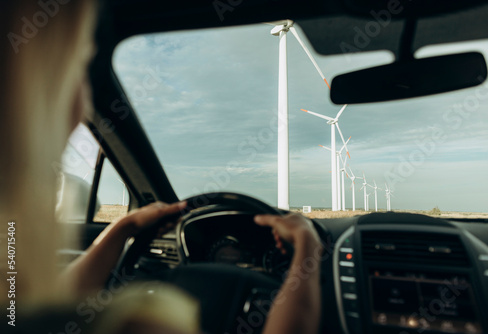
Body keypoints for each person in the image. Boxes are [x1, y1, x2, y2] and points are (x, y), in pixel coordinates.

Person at [0, 1, 323, 334]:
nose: (86, 99)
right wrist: (307, 254)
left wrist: (122, 229)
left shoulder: (12, 301)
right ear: (33, 89)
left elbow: (42, 313)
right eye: (79, 66)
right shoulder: (139, 323)